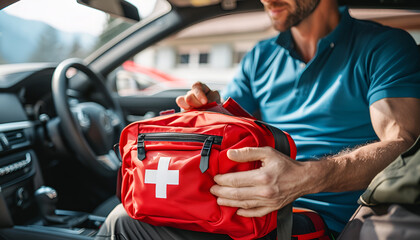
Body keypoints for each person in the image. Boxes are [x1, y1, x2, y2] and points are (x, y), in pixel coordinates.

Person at [96, 0, 420, 239]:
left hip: (323, 220)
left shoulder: (383, 47)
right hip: (244, 208)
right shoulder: (262, 56)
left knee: (125, 222)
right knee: (133, 207)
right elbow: (235, 128)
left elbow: (403, 144)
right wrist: (210, 114)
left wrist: (308, 177)